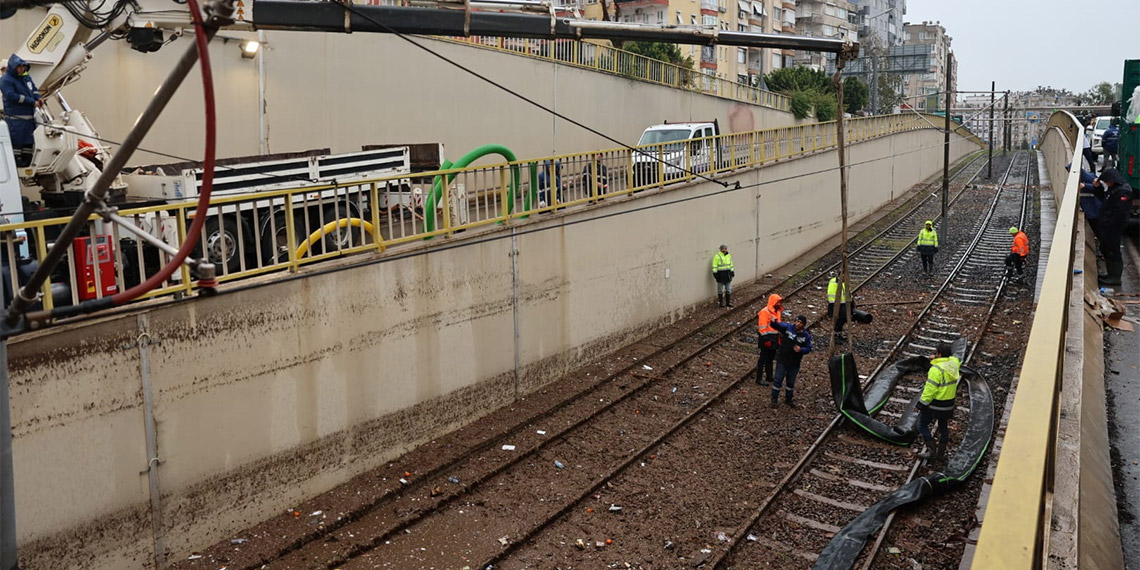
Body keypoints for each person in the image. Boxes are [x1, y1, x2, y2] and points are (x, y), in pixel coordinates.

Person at [915, 342, 960, 460]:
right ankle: (941, 453)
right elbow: (954, 358)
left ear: (939, 354)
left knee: (922, 425)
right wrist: (937, 358)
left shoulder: (936, 370)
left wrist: (920, 404)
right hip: (948, 404)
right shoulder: (954, 364)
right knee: (943, 426)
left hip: (935, 404)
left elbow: (930, 391)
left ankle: (931, 451)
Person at [1, 54, 43, 167]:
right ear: (13, 67)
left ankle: (27, 160)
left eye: (23, 67)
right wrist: (31, 102)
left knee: (29, 143)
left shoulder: (26, 77)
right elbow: (11, 96)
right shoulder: (6, 80)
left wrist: (38, 97)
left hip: (29, 119)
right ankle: (17, 161)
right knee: (17, 142)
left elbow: (33, 89)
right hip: (16, 119)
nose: (21, 69)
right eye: (19, 67)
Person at [1096, 168, 1133, 286]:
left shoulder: (1123, 191)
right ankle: (1110, 274)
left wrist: (1109, 225)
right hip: (1108, 226)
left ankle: (1115, 277)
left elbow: (1119, 212)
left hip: (1114, 227)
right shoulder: (1114, 189)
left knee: (1113, 250)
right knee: (1106, 248)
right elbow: (1105, 199)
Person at [769, 315, 812, 408]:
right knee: (778, 379)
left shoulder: (806, 336)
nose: (798, 323)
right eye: (797, 321)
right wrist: (773, 322)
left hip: (795, 362)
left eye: (800, 322)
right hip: (783, 359)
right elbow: (778, 326)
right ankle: (774, 399)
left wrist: (801, 349)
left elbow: (809, 348)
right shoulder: (788, 328)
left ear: (803, 325)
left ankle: (789, 399)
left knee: (790, 382)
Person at [755, 293, 783, 386]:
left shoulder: (777, 311)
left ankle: (769, 376)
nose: (779, 304)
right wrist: (766, 339)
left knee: (770, 358)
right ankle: (759, 379)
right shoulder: (765, 312)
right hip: (766, 339)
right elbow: (762, 327)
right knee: (763, 359)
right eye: (778, 302)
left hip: (774, 338)